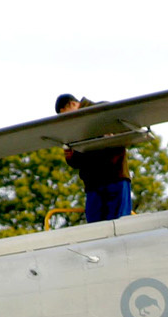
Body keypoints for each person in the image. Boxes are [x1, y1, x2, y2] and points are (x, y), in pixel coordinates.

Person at [55, 93, 132, 222]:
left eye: (66, 115)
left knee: (120, 225)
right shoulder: (72, 128)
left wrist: (113, 135)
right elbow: (78, 160)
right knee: (95, 230)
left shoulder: (103, 109)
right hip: (94, 184)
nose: (67, 120)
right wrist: (70, 157)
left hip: (114, 177)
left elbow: (128, 130)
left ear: (73, 104)